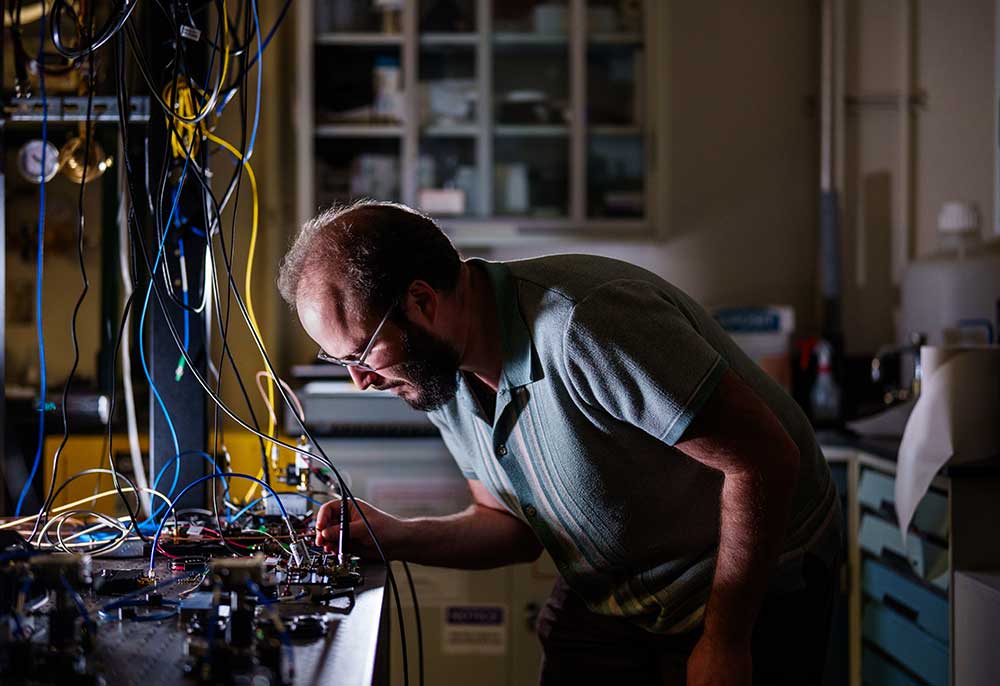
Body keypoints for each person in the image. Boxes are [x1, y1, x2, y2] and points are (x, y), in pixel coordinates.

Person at [277, 201, 842, 685]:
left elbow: (764, 461)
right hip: (625, 590)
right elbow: (510, 529)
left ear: (423, 301)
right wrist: (392, 535)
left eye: (360, 353)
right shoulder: (439, 374)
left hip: (751, 584)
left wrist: (728, 642)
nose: (359, 380)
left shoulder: (585, 326)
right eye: (339, 361)